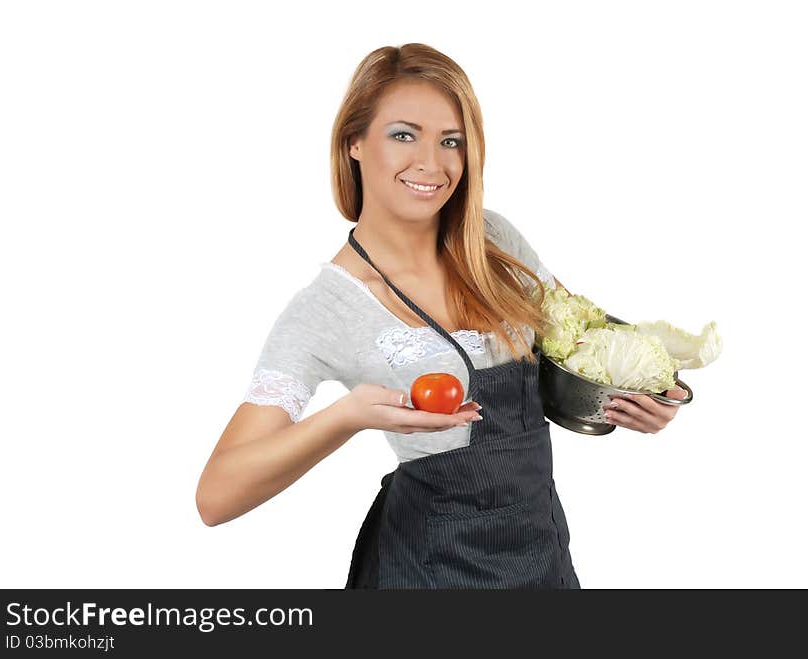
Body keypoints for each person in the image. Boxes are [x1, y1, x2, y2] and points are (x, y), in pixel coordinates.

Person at [195, 43, 685, 588]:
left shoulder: (494, 241)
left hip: (540, 557)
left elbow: (581, 346)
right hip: (424, 572)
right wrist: (347, 416)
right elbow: (216, 497)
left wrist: (648, 392)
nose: (431, 162)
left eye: (451, 141)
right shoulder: (326, 309)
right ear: (353, 142)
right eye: (403, 134)